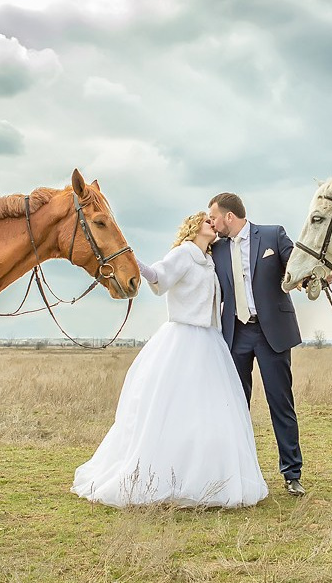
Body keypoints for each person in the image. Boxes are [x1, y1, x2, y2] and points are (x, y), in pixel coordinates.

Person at [72, 212, 269, 508]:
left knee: (209, 410)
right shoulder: (184, 253)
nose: (213, 225)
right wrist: (131, 261)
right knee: (174, 408)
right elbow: (158, 276)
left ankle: (207, 478)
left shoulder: (210, 260)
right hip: (184, 338)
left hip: (210, 340)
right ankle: (161, 478)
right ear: (194, 228)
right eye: (207, 222)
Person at [207, 192, 305, 496]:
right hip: (236, 334)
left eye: (213, 217)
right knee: (236, 405)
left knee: (281, 403)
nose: (211, 223)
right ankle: (238, 471)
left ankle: (292, 473)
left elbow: (298, 265)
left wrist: (312, 278)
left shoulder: (273, 235)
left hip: (271, 332)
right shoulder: (216, 249)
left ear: (229, 216)